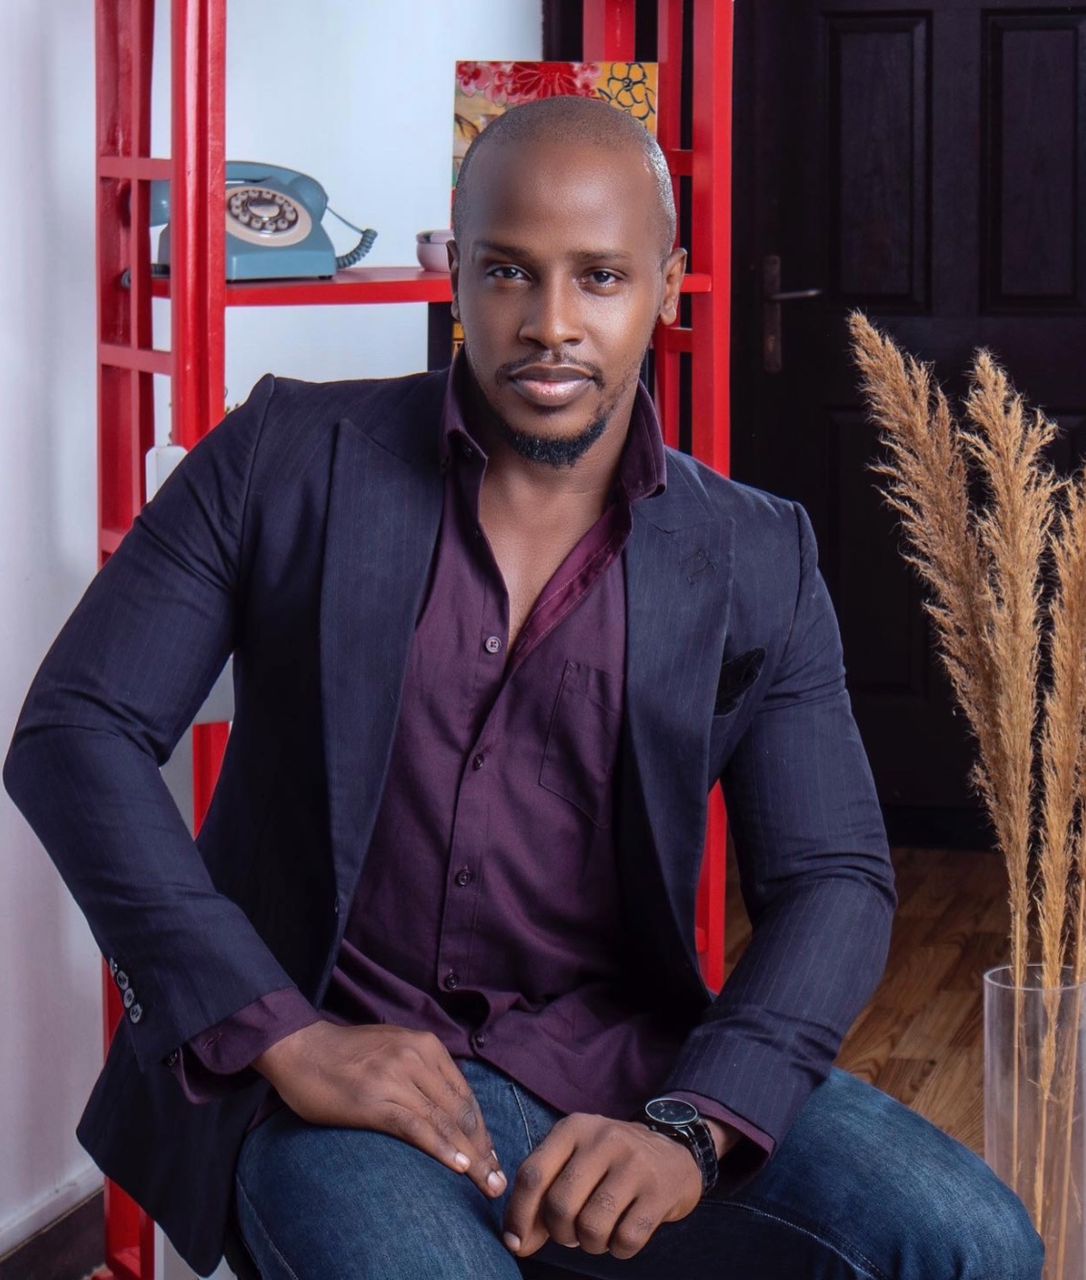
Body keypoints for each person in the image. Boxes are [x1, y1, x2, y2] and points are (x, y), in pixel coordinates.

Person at [4, 95, 1041, 1280]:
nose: (551, 324)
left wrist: (696, 1124)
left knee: (973, 1237)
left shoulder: (756, 553)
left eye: (600, 276)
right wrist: (280, 1030)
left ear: (666, 287)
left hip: (623, 1072)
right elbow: (74, 729)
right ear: (457, 272)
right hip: (333, 1088)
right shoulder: (282, 455)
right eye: (509, 272)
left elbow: (832, 876)